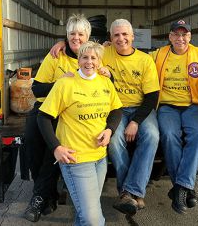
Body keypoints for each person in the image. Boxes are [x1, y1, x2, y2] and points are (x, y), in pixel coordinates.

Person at [50, 19, 160, 216]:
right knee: (115, 141)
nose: (121, 38)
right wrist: (61, 44)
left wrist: (135, 122)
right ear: (109, 38)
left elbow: (152, 97)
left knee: (152, 135)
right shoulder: (102, 52)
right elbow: (79, 48)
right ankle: (128, 193)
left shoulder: (145, 60)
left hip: (140, 108)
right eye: (116, 35)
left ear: (133, 36)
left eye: (125, 34)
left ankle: (130, 190)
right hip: (113, 108)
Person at [37, 41, 123, 225]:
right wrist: (56, 147)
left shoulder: (106, 82)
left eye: (94, 58)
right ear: (78, 60)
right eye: (85, 57)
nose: (89, 62)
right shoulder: (65, 84)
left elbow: (117, 110)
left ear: (100, 62)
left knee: (83, 213)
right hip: (76, 160)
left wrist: (110, 130)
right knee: (93, 219)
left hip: (100, 158)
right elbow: (43, 117)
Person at [23, 13, 92, 222]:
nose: (76, 38)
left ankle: (40, 197)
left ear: (88, 36)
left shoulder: (93, 57)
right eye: (72, 34)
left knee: (51, 149)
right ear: (66, 35)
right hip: (46, 107)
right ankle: (46, 193)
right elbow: (36, 88)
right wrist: (60, 83)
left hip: (71, 114)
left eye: (81, 34)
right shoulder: (55, 55)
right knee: (31, 140)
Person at [150, 20, 198, 214]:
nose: (180, 38)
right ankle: (185, 188)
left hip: (192, 107)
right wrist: (106, 47)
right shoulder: (158, 55)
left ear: (190, 36)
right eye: (176, 34)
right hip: (167, 107)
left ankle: (180, 189)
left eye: (185, 35)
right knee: (170, 136)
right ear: (170, 37)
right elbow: (132, 58)